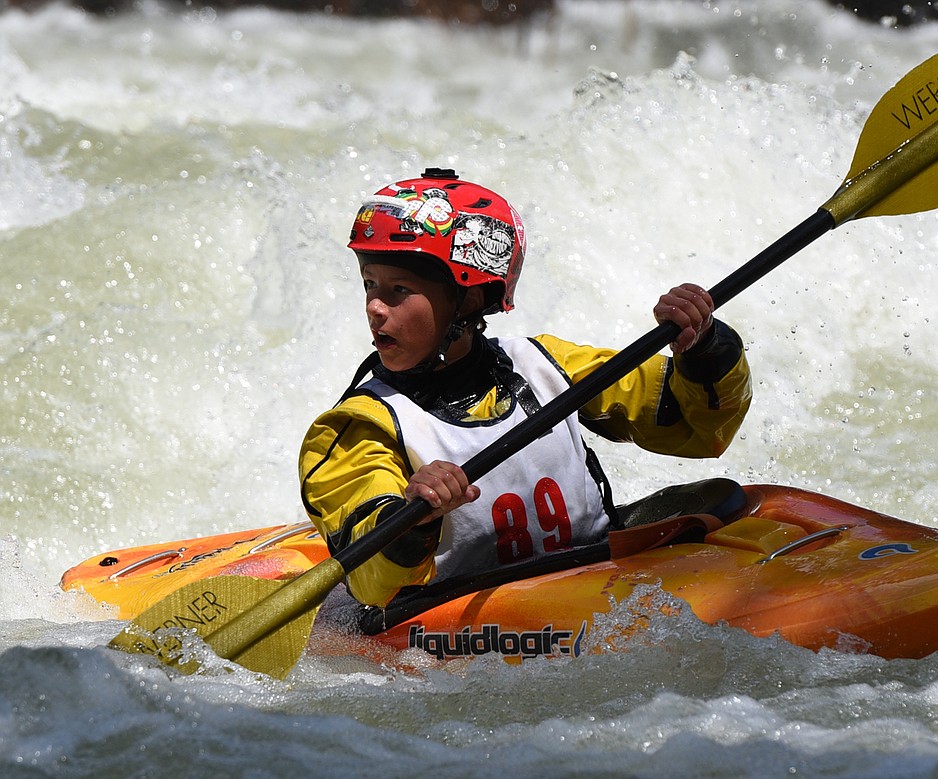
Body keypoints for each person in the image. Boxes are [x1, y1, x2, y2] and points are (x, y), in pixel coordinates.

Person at [299, 168, 752, 608]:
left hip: (590, 580)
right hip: (453, 618)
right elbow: (370, 579)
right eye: (369, 284)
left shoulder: (546, 365)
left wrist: (702, 347)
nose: (375, 307)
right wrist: (415, 517)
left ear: (470, 299)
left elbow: (698, 427)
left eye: (399, 289)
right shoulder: (358, 427)